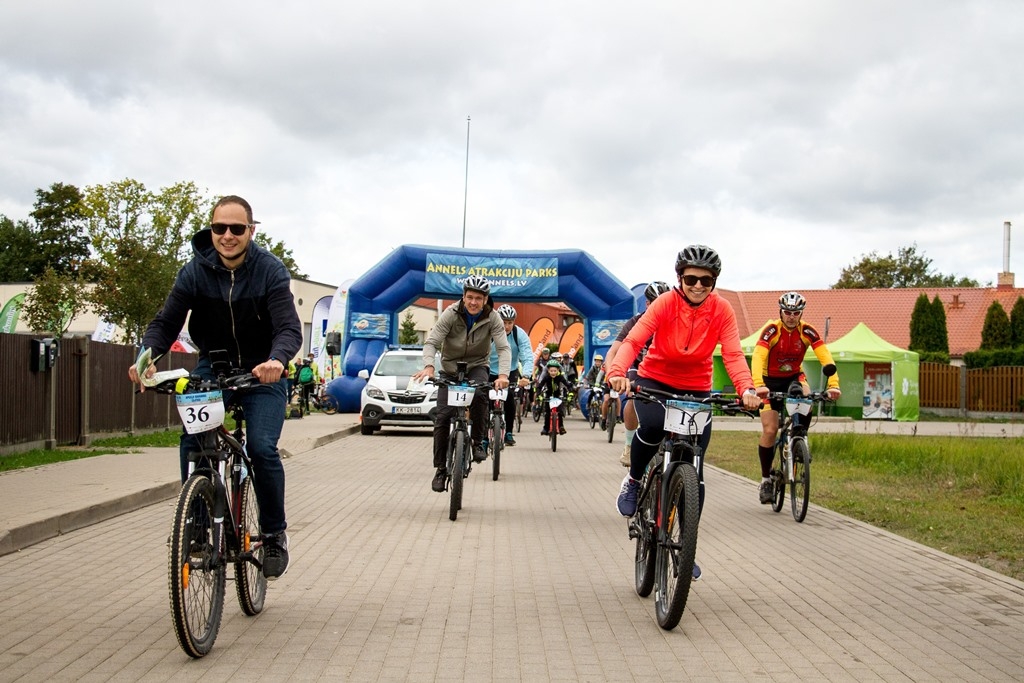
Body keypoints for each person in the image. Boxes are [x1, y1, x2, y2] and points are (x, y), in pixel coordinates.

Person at [128, 195, 301, 580]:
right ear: (211, 229)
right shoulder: (194, 273)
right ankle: (198, 526)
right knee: (194, 440)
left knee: (260, 448)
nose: (227, 236)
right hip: (213, 367)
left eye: (236, 229)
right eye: (219, 228)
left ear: (250, 231)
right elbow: (165, 322)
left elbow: (289, 327)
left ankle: (274, 534)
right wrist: (145, 359)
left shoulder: (270, 270)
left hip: (263, 371)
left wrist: (277, 360)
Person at [606, 244, 765, 580]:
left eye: (705, 280)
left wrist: (746, 389)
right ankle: (634, 480)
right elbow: (634, 341)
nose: (698, 285)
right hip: (655, 379)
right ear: (680, 278)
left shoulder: (722, 310)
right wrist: (618, 373)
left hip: (696, 387)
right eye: (691, 278)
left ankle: (684, 543)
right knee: (649, 429)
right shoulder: (665, 303)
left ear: (714, 282)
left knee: (695, 468)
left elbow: (734, 355)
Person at [412, 276, 511, 492]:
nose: (473, 302)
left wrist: (503, 374)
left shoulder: (493, 318)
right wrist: (429, 366)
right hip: (449, 368)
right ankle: (440, 469)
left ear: (485, 299)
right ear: (463, 297)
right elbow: (432, 342)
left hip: (477, 365)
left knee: (481, 395)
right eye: (470, 297)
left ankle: (478, 442)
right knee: (442, 417)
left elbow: (503, 348)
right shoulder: (450, 313)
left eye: (478, 298)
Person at [751, 291, 841, 503]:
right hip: (768, 380)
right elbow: (758, 356)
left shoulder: (808, 331)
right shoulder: (772, 330)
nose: (791, 316)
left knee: (807, 394)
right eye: (788, 312)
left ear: (801, 313)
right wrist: (758, 385)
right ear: (781, 312)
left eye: (796, 313)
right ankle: (765, 479)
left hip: (793, 377)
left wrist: (834, 385)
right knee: (771, 429)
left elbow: (825, 358)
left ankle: (800, 436)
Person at [604, 281, 671, 467]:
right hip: (638, 366)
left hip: (666, 370)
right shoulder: (635, 322)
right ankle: (629, 444)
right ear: (648, 304)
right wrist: (612, 375)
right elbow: (613, 352)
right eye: (658, 302)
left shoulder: (675, 322)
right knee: (634, 395)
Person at [488, 304, 534, 447]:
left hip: (510, 370)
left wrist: (526, 375)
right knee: (484, 401)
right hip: (488, 369)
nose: (506, 326)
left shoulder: (519, 334)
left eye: (510, 322)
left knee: (508, 399)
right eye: (503, 322)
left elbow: (527, 356)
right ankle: (483, 436)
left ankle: (508, 431)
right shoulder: (489, 332)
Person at [537, 359, 572, 435]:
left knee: (559, 412)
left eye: (555, 371)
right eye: (551, 371)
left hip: (558, 396)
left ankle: (561, 427)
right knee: (547, 413)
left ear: (558, 370)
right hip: (548, 396)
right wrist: (539, 395)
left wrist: (570, 394)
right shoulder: (546, 377)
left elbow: (567, 385)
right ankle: (545, 428)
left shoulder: (560, 377)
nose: (553, 373)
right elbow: (539, 386)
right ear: (548, 371)